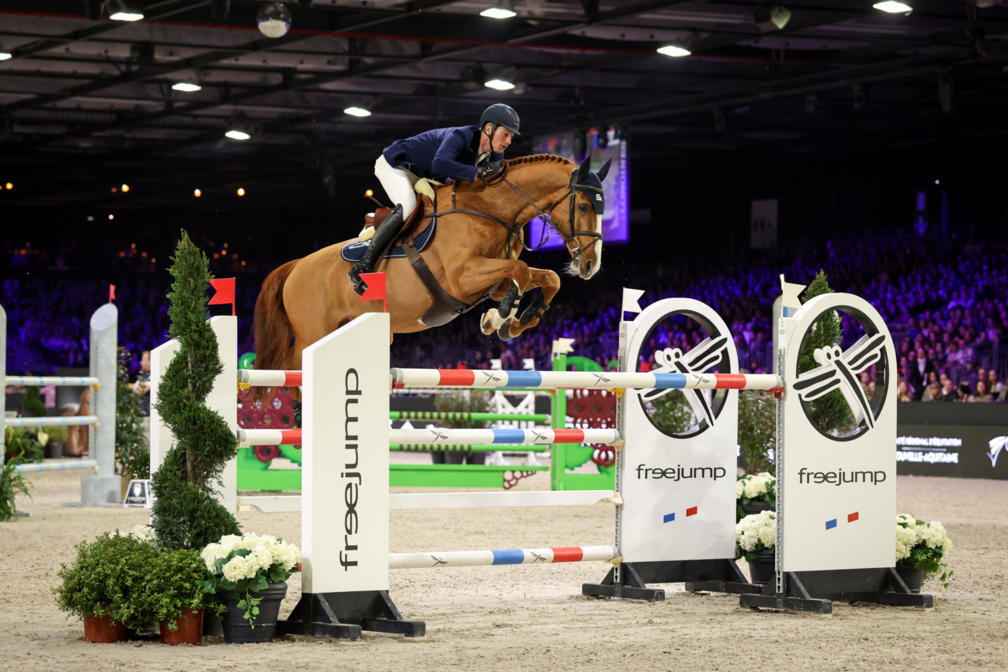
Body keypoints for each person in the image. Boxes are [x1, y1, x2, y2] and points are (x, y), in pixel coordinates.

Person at [348, 104, 521, 295]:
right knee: (408, 204)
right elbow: (439, 165)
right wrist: (478, 172)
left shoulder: (496, 154)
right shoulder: (460, 136)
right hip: (396, 165)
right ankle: (363, 266)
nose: (508, 141)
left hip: (424, 175)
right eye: (505, 134)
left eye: (511, 137)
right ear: (489, 129)